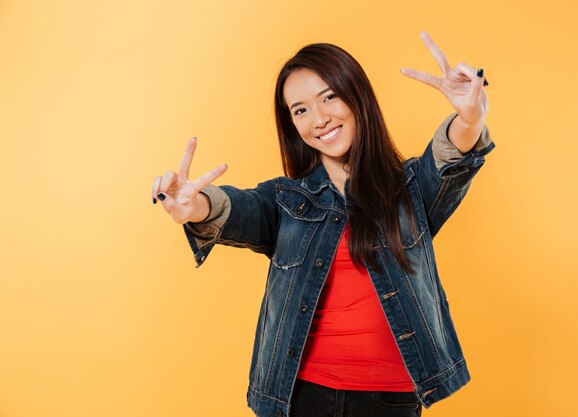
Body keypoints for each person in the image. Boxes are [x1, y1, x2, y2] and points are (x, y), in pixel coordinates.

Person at [152, 31, 495, 417]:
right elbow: (238, 209)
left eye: (329, 96)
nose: (319, 119)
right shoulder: (286, 200)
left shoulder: (409, 189)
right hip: (300, 397)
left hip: (389, 401)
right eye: (300, 110)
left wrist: (469, 118)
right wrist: (193, 203)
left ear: (356, 96)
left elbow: (450, 159)